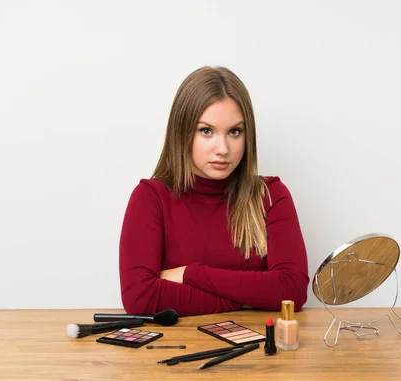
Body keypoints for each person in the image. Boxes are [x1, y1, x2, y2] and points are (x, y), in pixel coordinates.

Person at [118, 66, 309, 316]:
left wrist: (190, 274)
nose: (222, 148)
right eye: (206, 131)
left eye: (234, 131)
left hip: (258, 350)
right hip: (176, 347)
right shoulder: (151, 197)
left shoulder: (270, 195)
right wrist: (247, 301)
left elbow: (292, 291)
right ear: (182, 132)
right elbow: (139, 298)